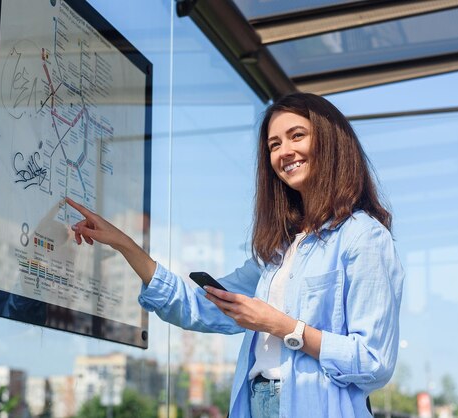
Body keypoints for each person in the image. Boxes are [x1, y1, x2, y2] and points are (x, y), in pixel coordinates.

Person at [66, 92, 404, 418]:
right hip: (256, 401)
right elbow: (196, 304)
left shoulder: (363, 236)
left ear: (329, 142)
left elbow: (373, 362)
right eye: (274, 144)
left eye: (296, 136)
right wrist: (124, 243)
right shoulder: (279, 251)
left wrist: (281, 325)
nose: (284, 151)